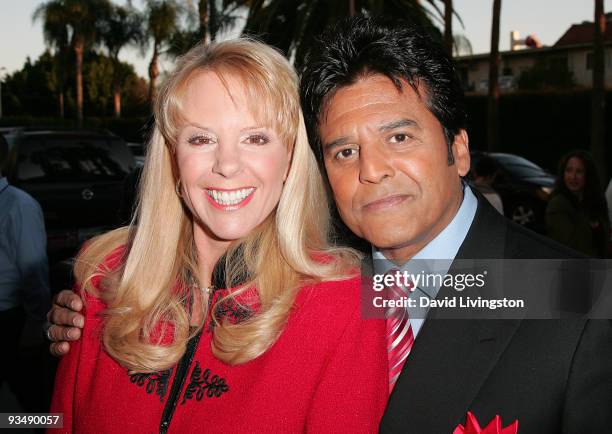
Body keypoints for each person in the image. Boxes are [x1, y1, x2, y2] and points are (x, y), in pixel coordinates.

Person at [48, 16, 612, 433]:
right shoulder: (333, 274)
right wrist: (102, 306)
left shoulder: (572, 297)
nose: (371, 170)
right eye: (343, 151)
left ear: (459, 149)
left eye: (399, 136)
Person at [48, 39, 387, 433]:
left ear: (291, 158)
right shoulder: (103, 272)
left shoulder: (343, 302)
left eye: (256, 138)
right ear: (173, 156)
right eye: (201, 139)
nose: (227, 165)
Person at [0, 133, 52, 412]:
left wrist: (35, 324)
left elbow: (33, 270)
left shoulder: (18, 206)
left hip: (10, 320)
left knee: (34, 404)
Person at [546, 150, 611, 257]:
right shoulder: (558, 205)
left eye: (579, 171)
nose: (573, 177)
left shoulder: (596, 202)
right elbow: (572, 246)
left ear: (588, 175)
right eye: (569, 170)